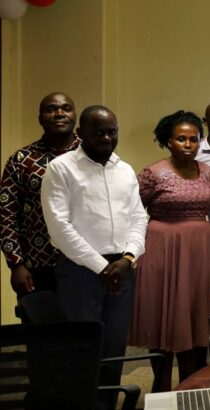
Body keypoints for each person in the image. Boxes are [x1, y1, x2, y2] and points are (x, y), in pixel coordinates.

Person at [40, 105, 148, 407]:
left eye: (111, 131)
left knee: (113, 350)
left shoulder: (124, 169)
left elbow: (139, 217)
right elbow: (59, 228)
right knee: (83, 352)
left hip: (122, 271)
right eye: (98, 132)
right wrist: (103, 267)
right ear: (80, 134)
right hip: (80, 272)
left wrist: (127, 259)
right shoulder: (61, 168)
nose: (106, 137)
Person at [128, 110, 210, 391]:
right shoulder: (153, 173)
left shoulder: (206, 172)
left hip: (200, 252)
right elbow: (133, 212)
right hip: (162, 251)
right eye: (181, 139)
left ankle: (192, 384)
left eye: (194, 139)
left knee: (195, 317)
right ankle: (161, 386)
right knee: (163, 319)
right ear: (168, 141)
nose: (188, 144)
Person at [1, 92, 80, 320]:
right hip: (37, 266)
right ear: (40, 118)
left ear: (74, 115)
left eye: (66, 108)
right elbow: (6, 214)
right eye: (51, 109)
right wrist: (16, 264)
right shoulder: (21, 160)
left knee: (83, 339)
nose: (59, 114)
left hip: (86, 264)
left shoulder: (93, 155)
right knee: (42, 339)